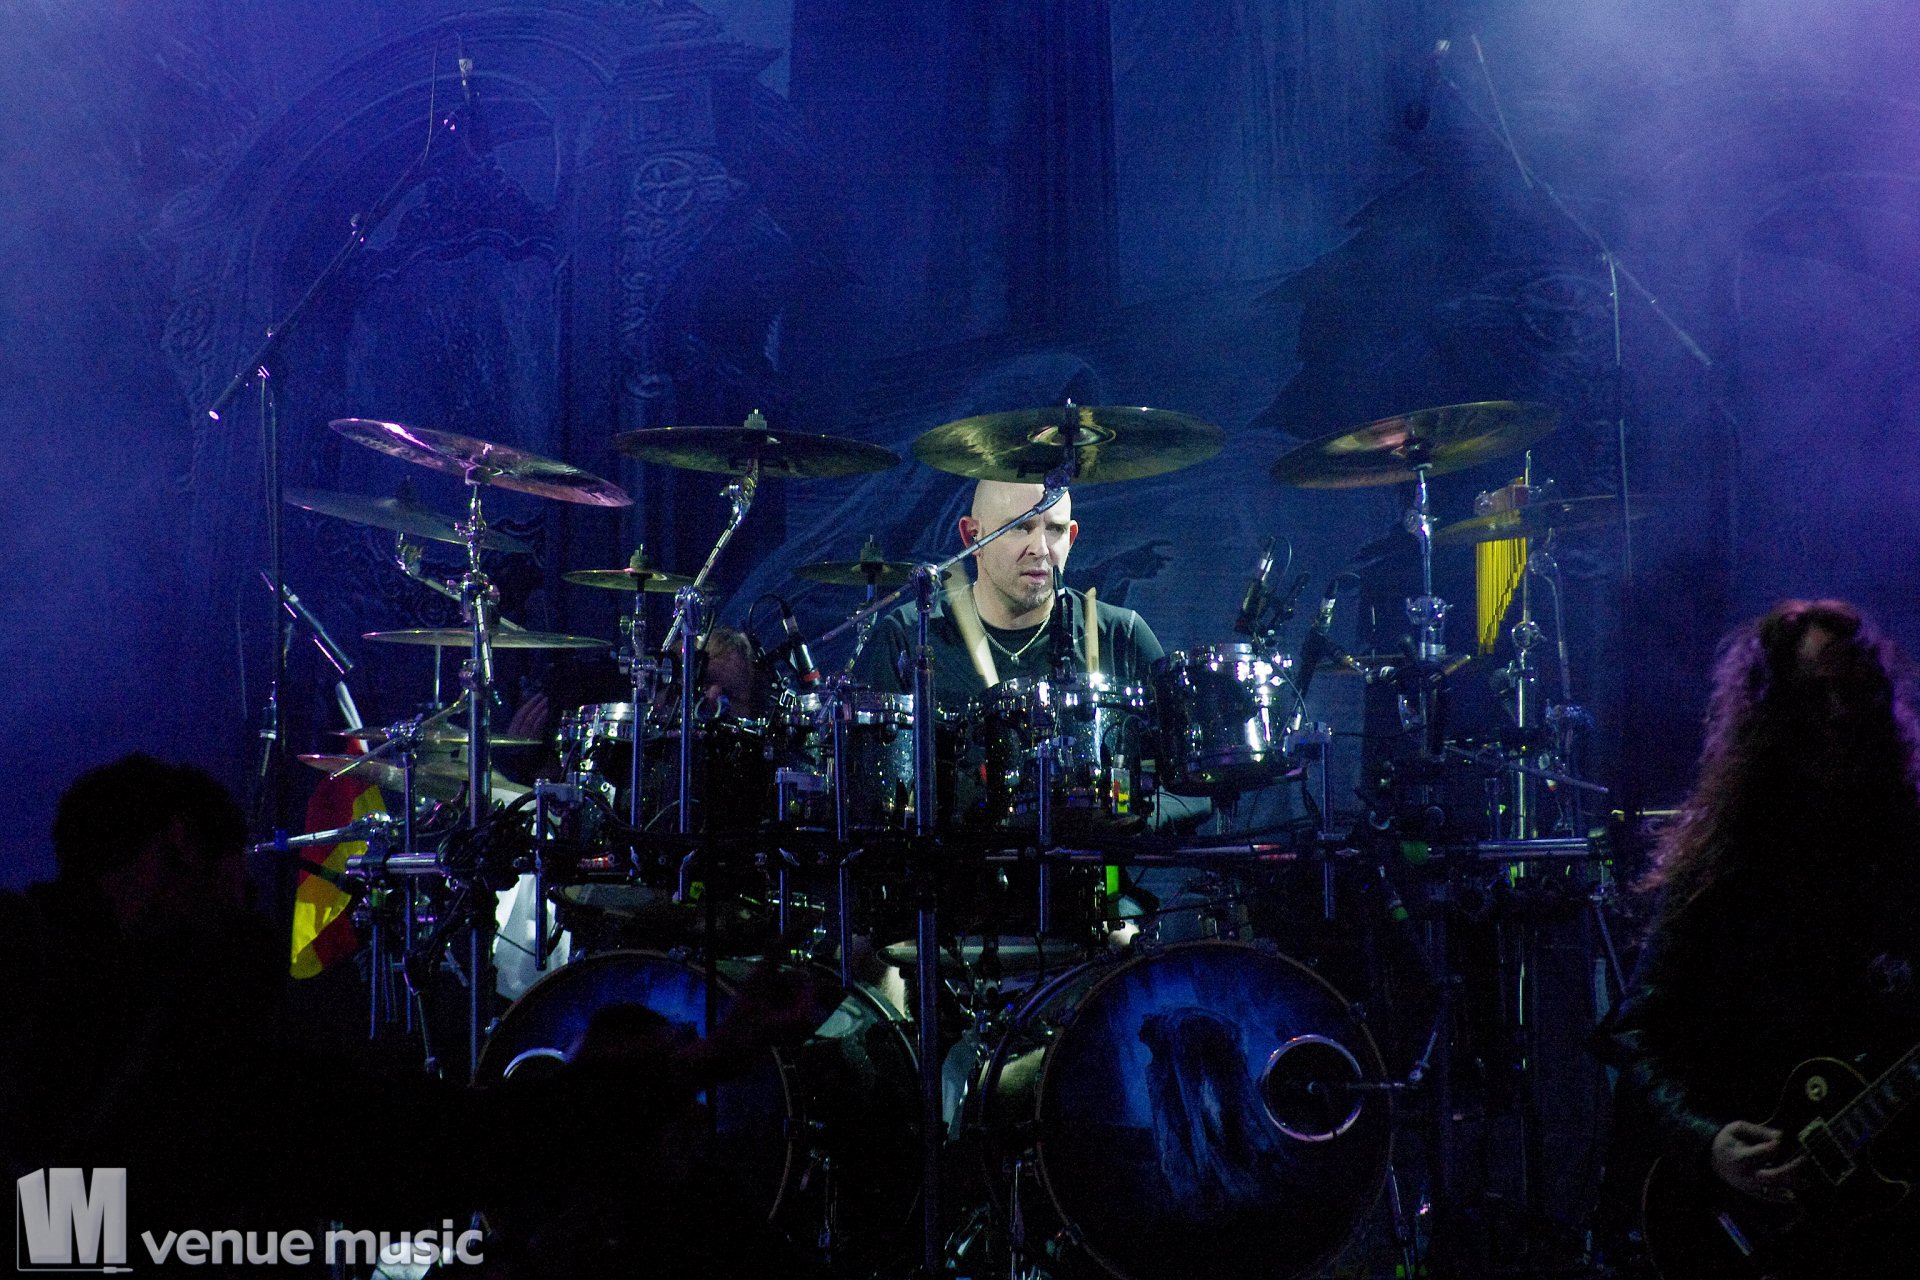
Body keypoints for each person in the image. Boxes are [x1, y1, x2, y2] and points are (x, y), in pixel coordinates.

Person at [1606, 600, 1920, 1278]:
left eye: (1855, 692)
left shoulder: (1905, 848)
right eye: (1815, 695)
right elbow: (1636, 1034)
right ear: (1774, 711)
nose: (1838, 714)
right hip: (1743, 1219)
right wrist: (1709, 1144)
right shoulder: (1724, 861)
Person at [853, 479, 1164, 706]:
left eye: (1054, 529)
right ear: (972, 536)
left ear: (1070, 537)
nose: (1040, 549)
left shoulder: (1122, 638)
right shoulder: (910, 635)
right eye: (1019, 527)